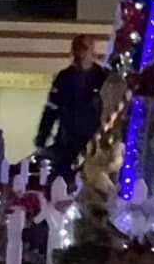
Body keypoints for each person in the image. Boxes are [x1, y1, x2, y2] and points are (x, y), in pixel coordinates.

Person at [34, 35, 106, 181]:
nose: (80, 54)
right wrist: (43, 135)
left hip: (94, 143)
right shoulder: (64, 78)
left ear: (92, 51)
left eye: (84, 48)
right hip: (67, 142)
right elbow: (52, 108)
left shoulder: (103, 78)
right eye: (76, 49)